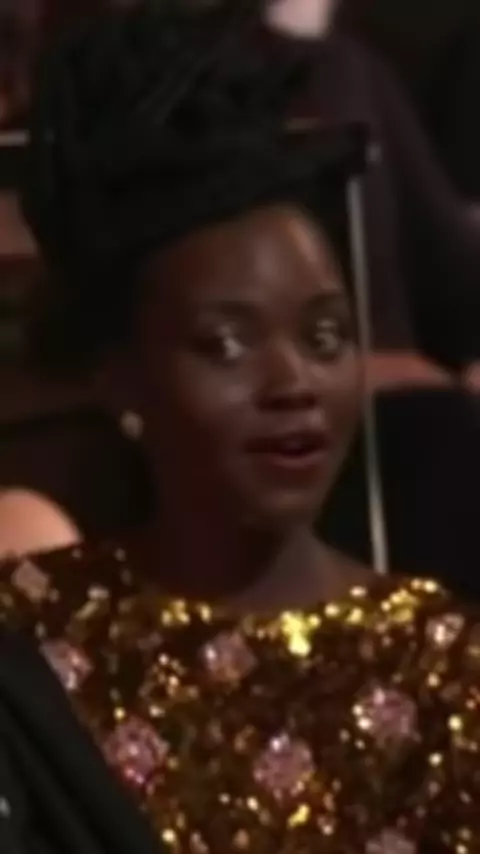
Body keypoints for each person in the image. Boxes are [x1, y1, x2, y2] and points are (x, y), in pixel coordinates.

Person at [0, 2, 480, 850]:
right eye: (226, 343)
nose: (293, 383)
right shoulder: (31, 641)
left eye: (325, 337)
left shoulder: (439, 662)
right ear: (122, 377)